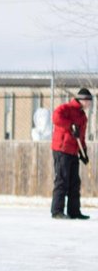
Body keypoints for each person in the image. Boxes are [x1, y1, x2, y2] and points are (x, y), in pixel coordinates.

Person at [50, 88, 92, 220]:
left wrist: (83, 152)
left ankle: (74, 211)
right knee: (62, 180)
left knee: (74, 182)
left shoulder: (83, 117)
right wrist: (70, 125)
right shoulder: (67, 108)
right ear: (83, 100)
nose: (90, 104)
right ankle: (57, 211)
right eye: (89, 101)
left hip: (73, 151)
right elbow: (56, 117)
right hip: (62, 150)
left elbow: (81, 137)